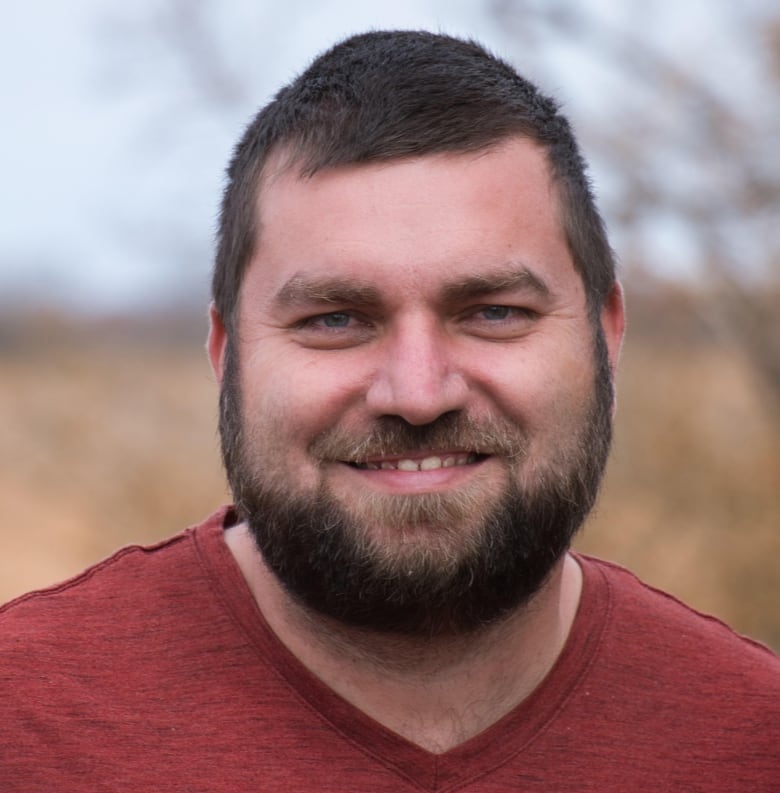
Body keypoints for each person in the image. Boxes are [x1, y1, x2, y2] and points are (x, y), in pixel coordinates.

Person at [1, 30, 777, 791]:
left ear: (605, 335)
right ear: (226, 350)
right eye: (335, 319)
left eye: (494, 311)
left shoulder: (754, 740)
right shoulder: (24, 724)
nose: (415, 392)